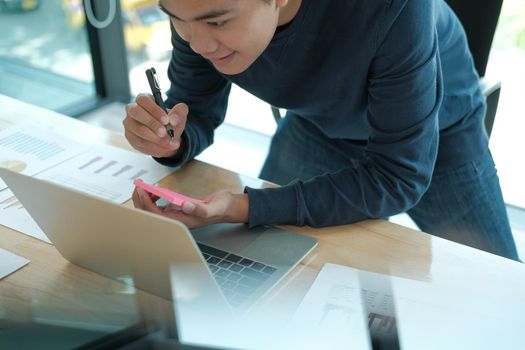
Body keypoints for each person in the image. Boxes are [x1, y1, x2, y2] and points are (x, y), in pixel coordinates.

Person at [124, 0, 520, 261]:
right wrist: (168, 139)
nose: (200, 44)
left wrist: (242, 205)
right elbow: (196, 105)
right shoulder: (195, 10)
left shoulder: (394, 7)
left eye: (217, 22)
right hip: (320, 123)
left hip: (437, 132)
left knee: (501, 289)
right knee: (256, 261)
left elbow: (399, 176)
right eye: (177, 20)